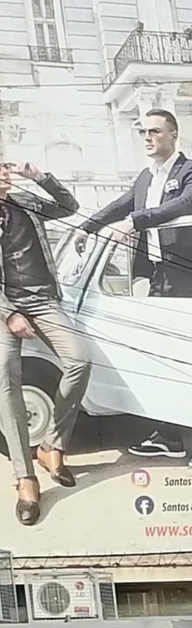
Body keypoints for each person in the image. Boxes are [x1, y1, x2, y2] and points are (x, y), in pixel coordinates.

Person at [79, 109, 192, 466]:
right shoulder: (145, 178)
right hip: (159, 277)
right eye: (144, 131)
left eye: (155, 131)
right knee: (163, 356)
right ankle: (170, 436)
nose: (148, 137)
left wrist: (134, 222)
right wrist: (86, 227)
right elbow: (121, 205)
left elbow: (185, 204)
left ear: (173, 135)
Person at [0, 153, 88, 528]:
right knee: (6, 383)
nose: (5, 172)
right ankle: (25, 478)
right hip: (4, 307)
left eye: (5, 166)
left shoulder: (24, 200)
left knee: (79, 360)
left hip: (43, 300)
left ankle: (51, 444)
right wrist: (9, 315)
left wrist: (40, 177)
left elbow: (69, 207)